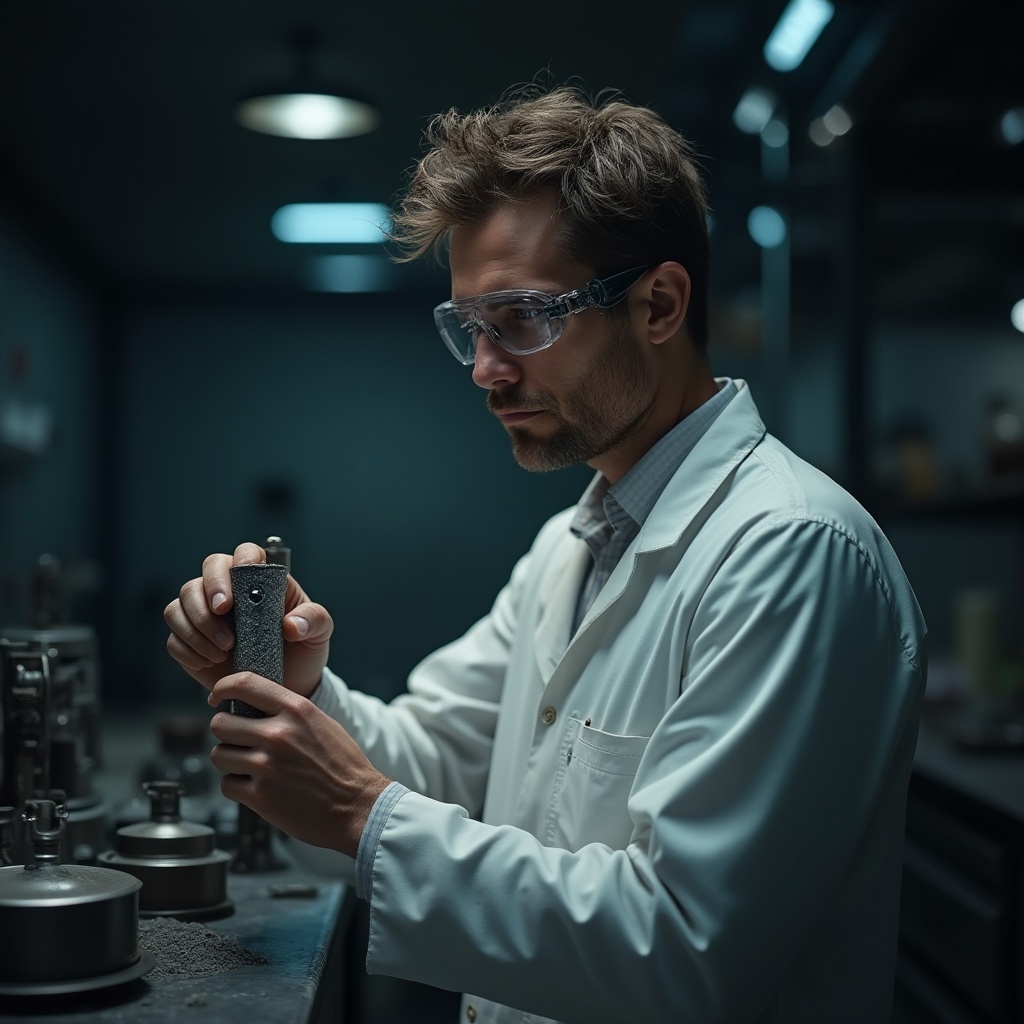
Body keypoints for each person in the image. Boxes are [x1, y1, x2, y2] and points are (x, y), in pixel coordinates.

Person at [164, 84, 927, 1024]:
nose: (486, 370)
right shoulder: (573, 546)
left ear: (658, 304)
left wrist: (366, 815)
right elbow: (434, 762)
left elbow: (684, 949)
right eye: (469, 329)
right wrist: (289, 684)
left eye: (522, 318)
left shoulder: (793, 553)